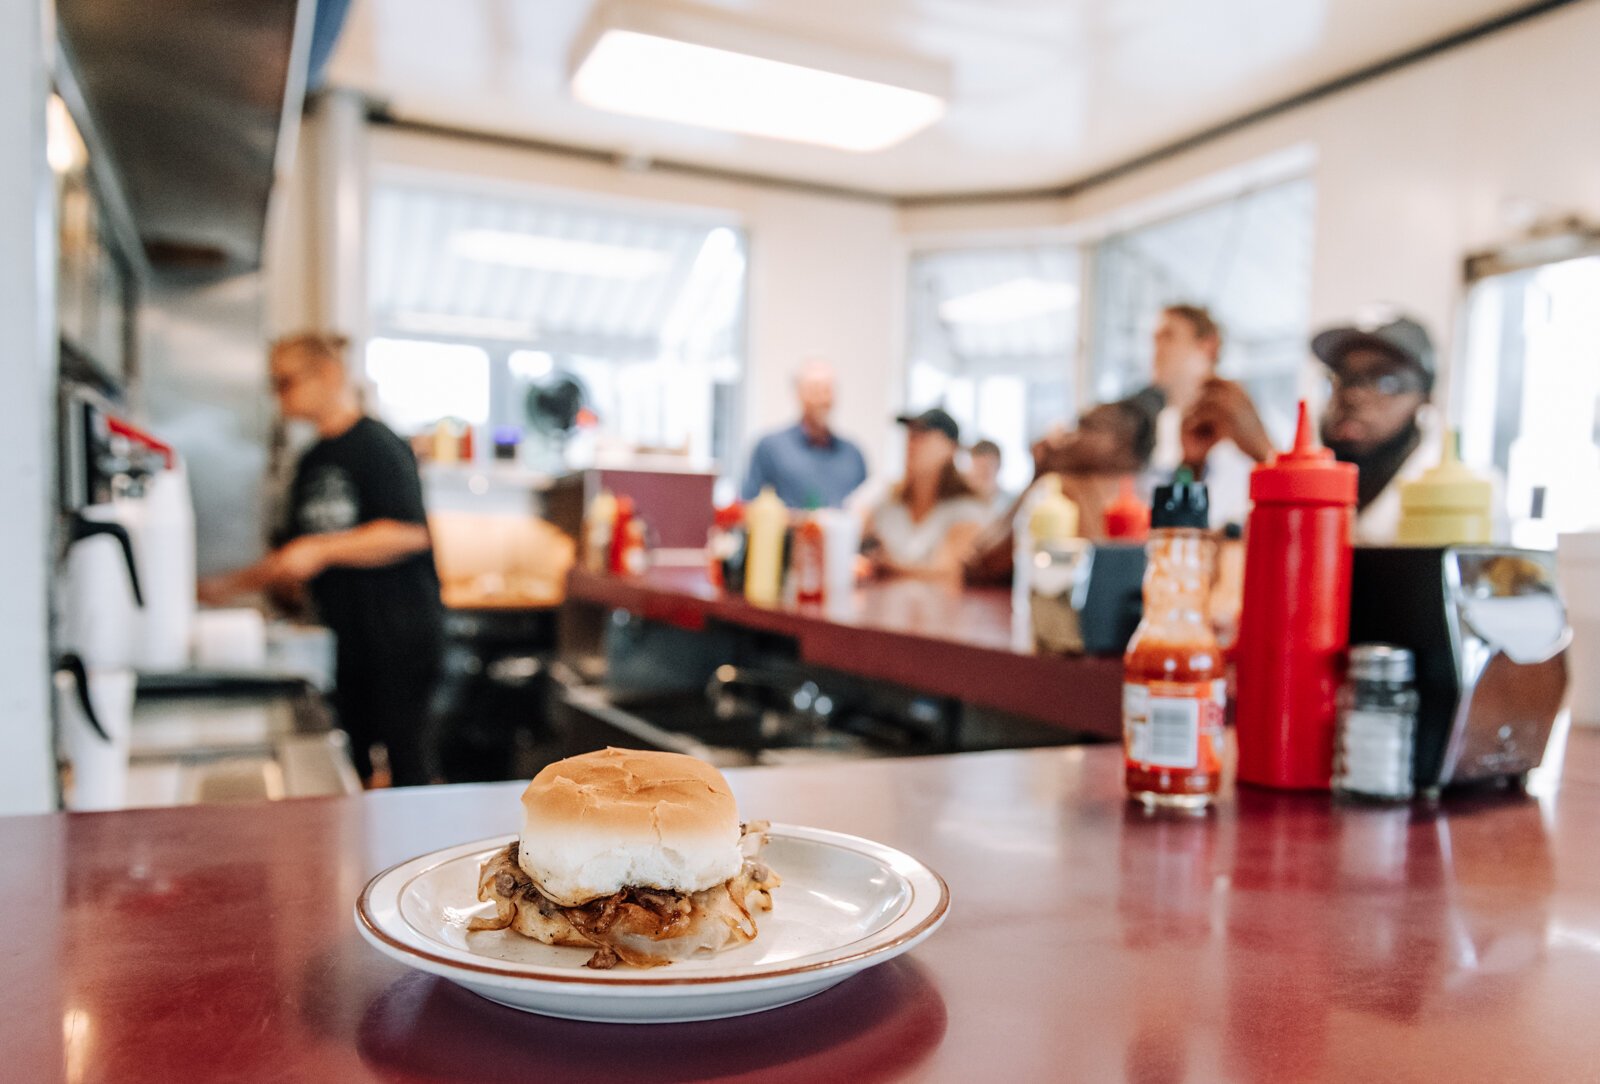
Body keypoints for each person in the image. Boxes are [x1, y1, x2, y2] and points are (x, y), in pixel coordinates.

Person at [200, 332, 445, 786]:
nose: (279, 395)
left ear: (329, 375)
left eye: (286, 381)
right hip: (345, 635)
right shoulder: (312, 460)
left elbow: (409, 534)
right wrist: (224, 588)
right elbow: (294, 555)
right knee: (352, 759)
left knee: (407, 759)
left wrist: (322, 549)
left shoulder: (377, 443)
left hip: (400, 632)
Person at [1179, 310, 1444, 543]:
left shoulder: (1442, 494)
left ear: (1425, 398)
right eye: (1343, 378)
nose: (1353, 395)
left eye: (1385, 380)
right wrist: (1193, 467)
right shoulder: (1327, 462)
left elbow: (1377, 574)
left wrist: (1269, 458)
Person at [1138, 304, 1259, 527]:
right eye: (1154, 339)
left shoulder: (1235, 412)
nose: (1157, 349)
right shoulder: (1159, 421)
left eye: (1168, 336)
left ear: (1208, 346)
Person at [865, 409, 988, 580]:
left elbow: (949, 574)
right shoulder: (887, 506)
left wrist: (887, 567)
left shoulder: (967, 511)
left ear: (951, 447)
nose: (911, 443)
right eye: (910, 435)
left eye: (923, 435)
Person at [742, 358, 868, 508]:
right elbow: (748, 509)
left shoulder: (853, 454)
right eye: (815, 390)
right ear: (798, 394)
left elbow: (867, 512)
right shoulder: (770, 448)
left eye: (827, 390)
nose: (822, 398)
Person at [966, 439, 1012, 521]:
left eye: (988, 466)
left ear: (999, 466)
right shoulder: (962, 501)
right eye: (979, 466)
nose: (983, 471)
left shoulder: (1011, 503)